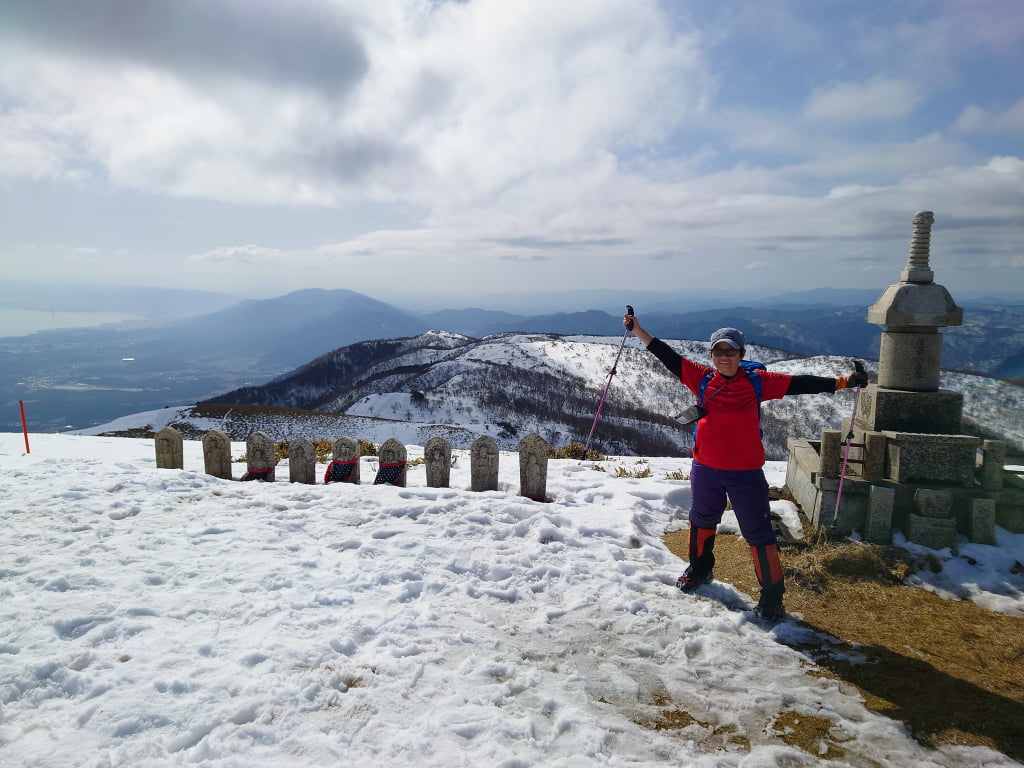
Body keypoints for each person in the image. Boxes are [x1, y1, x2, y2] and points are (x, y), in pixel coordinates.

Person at [624, 313, 868, 620]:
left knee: (758, 532)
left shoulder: (757, 382)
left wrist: (844, 382)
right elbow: (665, 354)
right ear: (711, 354)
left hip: (746, 472)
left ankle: (772, 598)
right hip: (706, 468)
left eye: (731, 351)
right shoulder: (700, 377)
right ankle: (700, 570)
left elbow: (800, 384)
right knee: (701, 521)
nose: (724, 357)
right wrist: (637, 330)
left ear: (742, 354)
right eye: (718, 351)